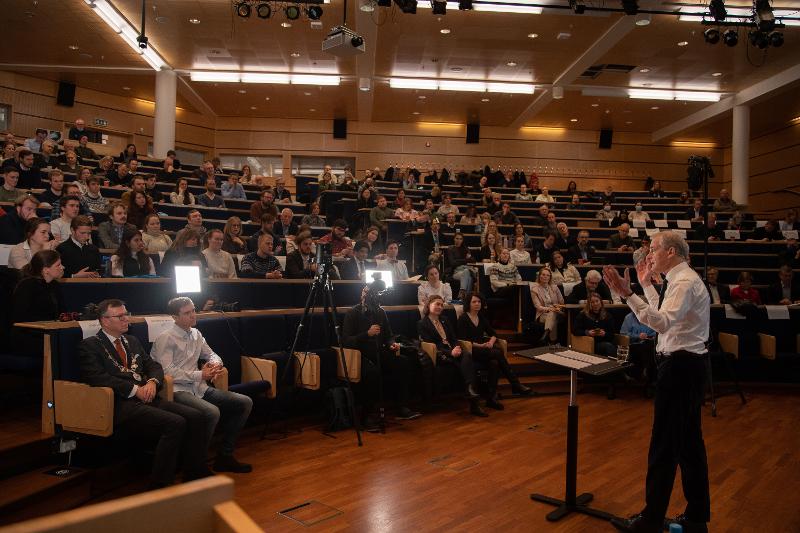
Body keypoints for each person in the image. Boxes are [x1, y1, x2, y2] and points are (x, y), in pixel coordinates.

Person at [603, 230, 712, 532]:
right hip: (687, 367)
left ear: (672, 253)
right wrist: (643, 286)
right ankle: (697, 517)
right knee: (690, 446)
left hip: (679, 369)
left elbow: (661, 323)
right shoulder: (680, 280)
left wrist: (627, 295)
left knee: (664, 446)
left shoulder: (685, 282)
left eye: (653, 249)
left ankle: (650, 521)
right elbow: (665, 314)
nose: (648, 255)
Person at [78, 299, 211, 488]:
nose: (127, 319)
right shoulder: (90, 345)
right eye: (121, 316)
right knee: (175, 423)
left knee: (196, 416)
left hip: (147, 397)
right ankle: (160, 483)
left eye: (127, 314)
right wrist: (135, 390)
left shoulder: (131, 341)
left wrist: (152, 381)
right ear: (105, 321)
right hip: (119, 403)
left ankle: (194, 471)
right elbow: (97, 378)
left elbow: (153, 366)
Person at [150, 297, 253, 473]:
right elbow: (167, 372)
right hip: (175, 390)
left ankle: (225, 455)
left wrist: (215, 364)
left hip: (198, 387)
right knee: (211, 412)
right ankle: (196, 463)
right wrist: (200, 374)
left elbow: (213, 355)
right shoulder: (165, 338)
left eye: (193, 310)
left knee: (244, 402)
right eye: (187, 313)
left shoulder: (196, 334)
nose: (193, 315)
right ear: (175, 317)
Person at [342, 283, 422, 427]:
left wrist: (392, 343)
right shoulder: (352, 313)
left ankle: (402, 406)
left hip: (379, 352)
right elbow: (346, 341)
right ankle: (366, 415)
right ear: (362, 294)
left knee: (403, 363)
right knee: (372, 372)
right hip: (359, 356)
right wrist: (366, 334)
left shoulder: (380, 312)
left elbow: (388, 335)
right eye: (365, 292)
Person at [418, 295, 485, 416]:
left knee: (467, 356)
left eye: (441, 305)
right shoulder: (422, 323)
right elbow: (431, 345)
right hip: (440, 355)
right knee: (465, 364)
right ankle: (473, 401)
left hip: (454, 351)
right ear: (428, 305)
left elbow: (453, 338)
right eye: (437, 304)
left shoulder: (445, 320)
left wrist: (456, 347)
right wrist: (450, 352)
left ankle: (470, 392)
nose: (440, 307)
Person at [457, 292, 532, 399]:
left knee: (495, 363)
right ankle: (515, 384)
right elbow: (463, 340)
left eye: (479, 301)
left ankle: (491, 398)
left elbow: (493, 334)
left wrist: (491, 342)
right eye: (474, 302)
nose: (477, 304)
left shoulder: (481, 317)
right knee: (498, 353)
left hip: (483, 350)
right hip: (470, 350)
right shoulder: (463, 318)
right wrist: (480, 345)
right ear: (468, 304)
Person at [10, 250, 64, 355]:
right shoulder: (27, 286)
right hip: (29, 336)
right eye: (58, 265)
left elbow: (61, 313)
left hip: (48, 332)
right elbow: (20, 319)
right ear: (46, 270)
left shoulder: (55, 286)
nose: (62, 267)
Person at [573, 292, 616, 357]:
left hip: (605, 341)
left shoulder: (607, 315)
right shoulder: (582, 315)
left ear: (601, 302)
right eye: (592, 302)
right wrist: (587, 332)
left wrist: (604, 334)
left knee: (612, 347)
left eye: (597, 301)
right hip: (588, 343)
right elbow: (575, 331)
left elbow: (612, 334)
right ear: (589, 304)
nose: (595, 304)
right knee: (608, 347)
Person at [530, 268, 565, 344]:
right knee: (552, 314)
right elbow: (538, 306)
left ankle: (546, 336)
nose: (545, 277)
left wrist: (558, 307)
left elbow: (562, 302)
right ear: (539, 276)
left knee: (553, 315)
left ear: (550, 277)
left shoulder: (555, 288)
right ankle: (552, 341)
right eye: (543, 275)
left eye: (547, 275)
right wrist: (550, 309)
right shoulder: (534, 289)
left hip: (557, 312)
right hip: (542, 314)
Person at [446, 232, 475, 299]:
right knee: (467, 273)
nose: (458, 240)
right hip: (456, 272)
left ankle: (463, 295)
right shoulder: (451, 248)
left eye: (460, 239)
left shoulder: (465, 248)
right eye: (457, 238)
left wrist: (459, 261)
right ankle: (467, 298)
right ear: (454, 239)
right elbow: (452, 263)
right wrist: (465, 260)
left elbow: (473, 260)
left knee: (469, 276)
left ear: (462, 240)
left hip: (465, 270)